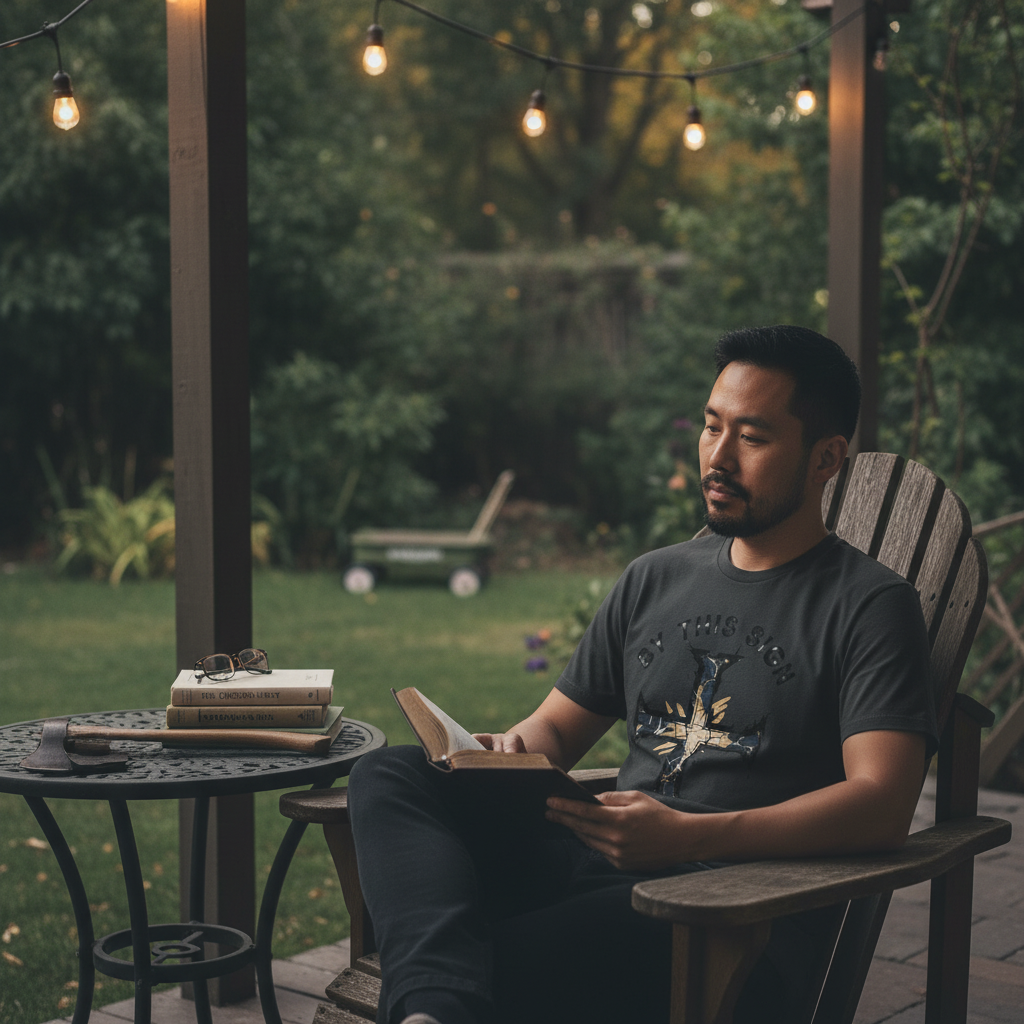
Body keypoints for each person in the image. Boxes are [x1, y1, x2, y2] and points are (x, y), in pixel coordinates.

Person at [347, 324, 937, 1024]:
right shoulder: (655, 579)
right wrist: (506, 752)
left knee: (467, 955)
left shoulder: (869, 605)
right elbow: (553, 732)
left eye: (752, 437)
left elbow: (883, 803)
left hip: (731, 917)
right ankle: (438, 1003)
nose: (718, 457)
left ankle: (434, 1000)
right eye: (713, 426)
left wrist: (691, 837)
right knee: (390, 774)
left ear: (826, 458)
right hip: (595, 861)